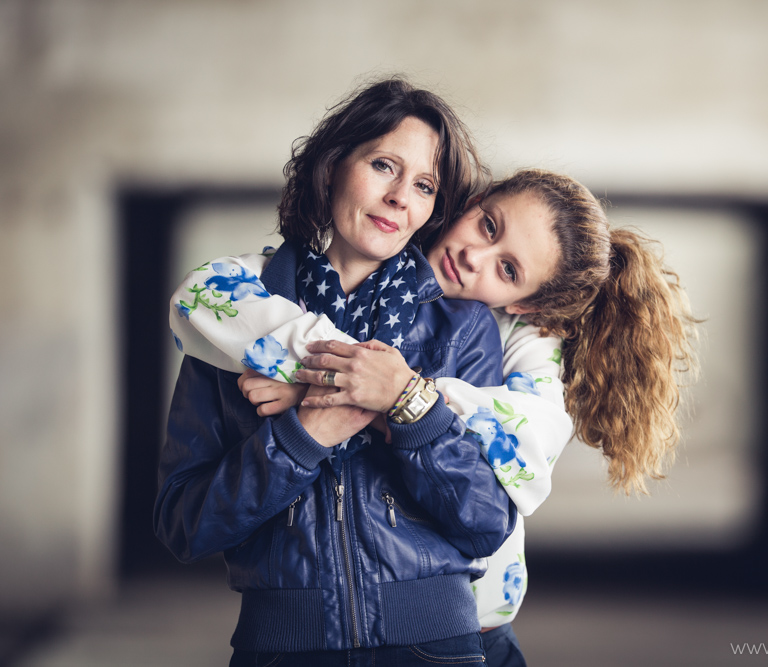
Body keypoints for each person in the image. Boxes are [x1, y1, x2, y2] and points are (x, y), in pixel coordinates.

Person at [170, 167, 699, 665]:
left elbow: (521, 451)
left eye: (507, 269)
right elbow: (203, 295)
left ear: (525, 306)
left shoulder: (516, 341)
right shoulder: (291, 288)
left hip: (472, 631)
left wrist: (355, 393)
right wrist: (350, 390)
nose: (476, 257)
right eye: (488, 226)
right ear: (471, 202)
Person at [155, 78, 519, 666]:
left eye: (424, 185)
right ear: (332, 166)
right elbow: (183, 522)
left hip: (435, 647)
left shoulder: (460, 326)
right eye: (383, 165)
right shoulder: (237, 319)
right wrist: (303, 436)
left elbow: (486, 521)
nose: (401, 197)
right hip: (282, 647)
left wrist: (404, 401)